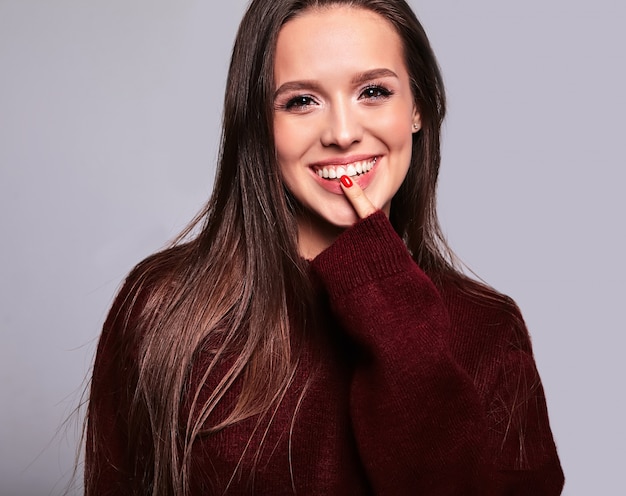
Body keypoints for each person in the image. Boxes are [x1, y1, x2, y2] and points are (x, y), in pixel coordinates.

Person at [85, 0, 565, 494]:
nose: (341, 133)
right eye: (301, 101)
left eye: (373, 92)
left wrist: (386, 299)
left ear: (417, 107)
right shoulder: (170, 308)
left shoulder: (488, 328)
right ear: (260, 123)